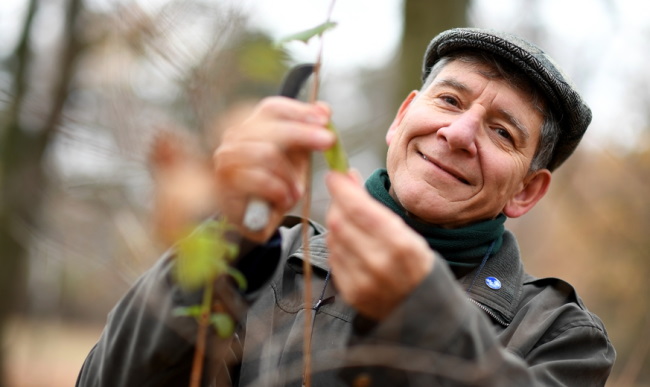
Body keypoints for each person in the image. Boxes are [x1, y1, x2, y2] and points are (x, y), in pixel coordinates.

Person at [76, 28, 615, 386]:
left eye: (501, 132)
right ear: (403, 117)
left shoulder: (561, 336)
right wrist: (222, 246)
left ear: (527, 190)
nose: (458, 132)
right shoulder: (266, 256)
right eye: (449, 100)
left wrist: (416, 310)